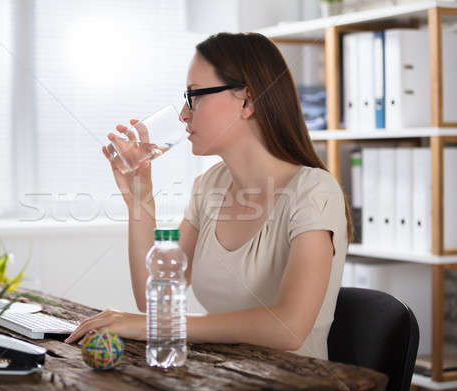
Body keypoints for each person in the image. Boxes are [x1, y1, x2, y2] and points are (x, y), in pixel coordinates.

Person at [65, 32, 352, 360]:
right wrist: (140, 196)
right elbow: (154, 303)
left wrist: (162, 326)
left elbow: (288, 327)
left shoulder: (315, 191)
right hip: (225, 379)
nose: (183, 115)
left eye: (194, 96)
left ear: (247, 101)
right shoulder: (210, 187)